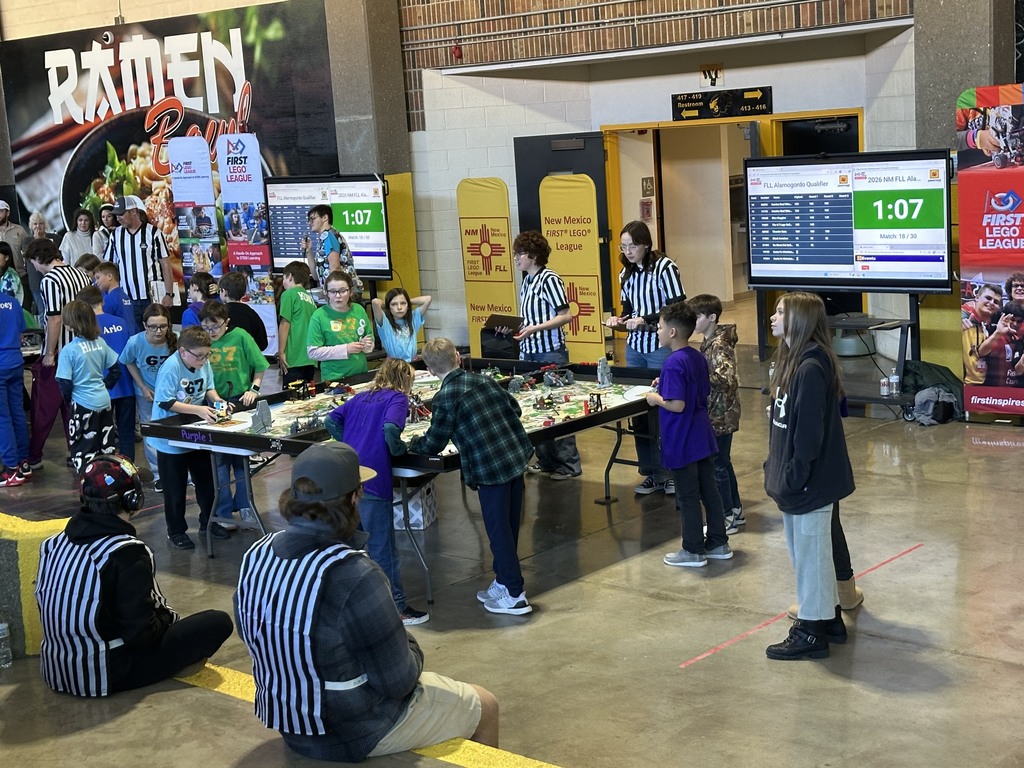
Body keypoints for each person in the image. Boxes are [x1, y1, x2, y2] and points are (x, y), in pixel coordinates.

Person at [235, 441, 498, 761]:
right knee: (486, 705)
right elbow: (398, 681)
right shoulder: (354, 574)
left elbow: (251, 632)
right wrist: (409, 643)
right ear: (353, 499)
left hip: (291, 722)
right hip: (350, 729)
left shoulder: (258, 553)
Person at [35, 454, 233, 697]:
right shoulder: (126, 552)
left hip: (56, 670)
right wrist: (166, 620)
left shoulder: (52, 544)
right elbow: (141, 634)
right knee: (217, 622)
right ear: (134, 500)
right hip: (105, 673)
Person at [409, 338, 534, 615]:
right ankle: (503, 580)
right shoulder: (484, 381)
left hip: (490, 468)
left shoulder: (445, 396)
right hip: (514, 457)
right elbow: (515, 409)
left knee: (497, 531)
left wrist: (412, 444)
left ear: (429, 370)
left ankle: (515, 595)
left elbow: (434, 443)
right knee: (509, 526)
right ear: (458, 357)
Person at [764, 292, 854, 660]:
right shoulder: (794, 361)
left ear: (799, 320)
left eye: (781, 312)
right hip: (795, 481)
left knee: (812, 556)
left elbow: (808, 437)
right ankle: (829, 617)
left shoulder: (811, 369)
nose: (773, 317)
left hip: (809, 483)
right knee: (808, 555)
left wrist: (795, 476)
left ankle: (811, 631)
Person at [326, 358, 429, 626]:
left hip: (349, 476)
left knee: (351, 546)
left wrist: (349, 443)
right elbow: (391, 428)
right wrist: (396, 450)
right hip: (374, 479)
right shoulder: (397, 398)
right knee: (383, 549)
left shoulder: (362, 397)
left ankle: (351, 604)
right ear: (404, 379)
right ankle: (395, 608)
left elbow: (331, 420)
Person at [645, 302, 731, 568]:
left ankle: (693, 549)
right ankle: (718, 541)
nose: (657, 332)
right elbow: (696, 390)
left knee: (687, 495)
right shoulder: (695, 356)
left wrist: (655, 398)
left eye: (659, 328)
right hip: (701, 434)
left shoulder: (673, 363)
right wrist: (665, 385)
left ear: (672, 332)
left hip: (681, 438)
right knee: (709, 489)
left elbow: (677, 404)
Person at [604, 220, 685, 496]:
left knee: (663, 406)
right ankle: (651, 471)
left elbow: (678, 307)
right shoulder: (625, 274)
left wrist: (646, 320)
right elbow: (628, 308)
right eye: (623, 246)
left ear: (646, 244)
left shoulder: (664, 268)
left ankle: (671, 471)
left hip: (659, 344)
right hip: (635, 346)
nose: (628, 251)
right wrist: (620, 319)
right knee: (639, 409)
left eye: (633, 246)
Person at [149, 325, 232, 550]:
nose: (204, 360)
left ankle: (209, 522)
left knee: (207, 484)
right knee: (175, 490)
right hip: (171, 436)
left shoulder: (202, 362)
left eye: (207, 355)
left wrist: (218, 402)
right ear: (183, 351)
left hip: (196, 431)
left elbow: (209, 389)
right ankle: (176, 531)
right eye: (199, 356)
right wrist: (198, 410)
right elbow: (165, 402)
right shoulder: (171, 368)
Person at [507, 230, 580, 480]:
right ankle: (546, 460)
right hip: (528, 351)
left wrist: (535, 329)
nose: (515, 258)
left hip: (549, 351)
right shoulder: (527, 281)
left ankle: (569, 464)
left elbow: (566, 314)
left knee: (558, 405)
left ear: (534, 256)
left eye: (520, 254)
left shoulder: (549, 279)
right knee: (536, 407)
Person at [26, 238, 92, 470]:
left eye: (32, 261)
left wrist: (48, 353)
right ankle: (79, 452)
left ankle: (33, 456)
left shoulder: (51, 280)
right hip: (84, 350)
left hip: (61, 352)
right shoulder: (80, 275)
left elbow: (54, 318)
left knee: (44, 408)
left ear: (37, 258)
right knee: (74, 406)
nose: (32, 267)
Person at [201, 299, 267, 528]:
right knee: (219, 460)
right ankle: (224, 512)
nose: (211, 332)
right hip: (212, 404)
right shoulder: (203, 341)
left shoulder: (240, 337)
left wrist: (253, 390)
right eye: (206, 328)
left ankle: (246, 506)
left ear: (226, 323)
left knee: (240, 459)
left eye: (215, 327)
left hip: (238, 401)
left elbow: (260, 366)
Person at [688, 294, 743, 533]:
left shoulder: (718, 344)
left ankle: (725, 516)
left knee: (718, 466)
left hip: (721, 413)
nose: (693, 321)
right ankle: (736, 510)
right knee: (723, 463)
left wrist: (697, 377)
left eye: (697, 316)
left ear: (711, 318)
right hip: (718, 411)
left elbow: (726, 379)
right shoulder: (709, 341)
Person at [55, 300, 121, 473]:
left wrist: (69, 400)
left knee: (83, 448)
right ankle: (107, 480)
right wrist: (104, 387)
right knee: (106, 444)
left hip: (83, 404)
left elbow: (65, 383)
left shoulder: (69, 350)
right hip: (104, 401)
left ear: (72, 323)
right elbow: (115, 370)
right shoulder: (100, 343)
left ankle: (89, 484)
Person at [120, 304, 175, 491]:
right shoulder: (135, 342)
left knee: (175, 429)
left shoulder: (174, 341)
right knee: (151, 431)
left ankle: (180, 471)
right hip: (147, 393)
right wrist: (142, 386)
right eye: (153, 327)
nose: (158, 331)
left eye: (163, 326)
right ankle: (159, 474)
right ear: (145, 325)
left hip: (171, 393)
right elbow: (128, 362)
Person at [77, 285, 136, 460]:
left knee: (101, 433)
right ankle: (128, 469)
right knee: (127, 433)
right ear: (102, 301)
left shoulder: (87, 328)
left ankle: (102, 470)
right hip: (126, 384)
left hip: (100, 388)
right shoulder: (121, 322)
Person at [102, 195, 175, 329]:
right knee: (133, 335)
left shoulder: (153, 233)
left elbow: (165, 263)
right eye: (116, 214)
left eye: (121, 214)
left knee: (157, 333)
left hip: (152, 297)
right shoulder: (116, 235)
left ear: (133, 212)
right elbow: (110, 266)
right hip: (127, 297)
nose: (118, 218)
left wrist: (169, 293)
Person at [306, 270, 374, 382]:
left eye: (343, 291)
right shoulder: (319, 316)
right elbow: (313, 352)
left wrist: (368, 345)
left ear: (350, 291)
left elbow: (369, 339)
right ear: (326, 292)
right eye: (333, 291)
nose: (338, 296)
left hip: (361, 374)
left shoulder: (359, 310)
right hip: (334, 379)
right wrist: (346, 349)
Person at [0, 284, 28, 486]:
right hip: (15, 361)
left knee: (2, 417)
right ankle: (23, 463)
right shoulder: (12, 302)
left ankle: (10, 469)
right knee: (17, 412)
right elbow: (20, 333)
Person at [302, 204, 362, 294]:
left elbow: (335, 267)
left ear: (325, 217)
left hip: (343, 293)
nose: (309, 223)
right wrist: (309, 251)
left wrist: (331, 292)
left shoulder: (330, 235)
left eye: (312, 219)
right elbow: (315, 276)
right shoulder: (324, 238)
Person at [277, 261, 318, 385]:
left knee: (292, 400)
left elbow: (285, 323)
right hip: (310, 358)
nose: (283, 283)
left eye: (284, 278)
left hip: (293, 358)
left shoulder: (288, 294)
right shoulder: (310, 299)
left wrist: (281, 352)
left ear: (289, 276)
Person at [371, 286, 432, 362]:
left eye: (403, 303)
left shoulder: (413, 320)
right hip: (394, 366)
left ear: (408, 306)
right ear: (389, 307)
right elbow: (375, 302)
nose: (399, 307)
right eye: (394, 304)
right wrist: (387, 305)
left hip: (412, 364)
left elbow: (428, 299)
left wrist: (408, 302)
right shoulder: (385, 324)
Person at [961, 283, 1004, 385]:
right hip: (962, 385)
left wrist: (998, 333)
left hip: (976, 385)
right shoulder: (963, 317)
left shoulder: (982, 325)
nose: (992, 303)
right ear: (976, 297)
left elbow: (979, 353)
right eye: (988, 298)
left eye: (996, 302)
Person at [218, 270, 268, 351]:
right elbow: (263, 344)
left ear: (224, 292)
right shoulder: (251, 313)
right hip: (247, 359)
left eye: (219, 291)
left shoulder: (219, 313)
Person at [94, 261, 138, 335]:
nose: (96, 282)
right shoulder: (126, 297)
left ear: (109, 276)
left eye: (98, 278)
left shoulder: (109, 299)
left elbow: (105, 324)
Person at [0, 199, 28, 276]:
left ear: (7, 213)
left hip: (20, 275)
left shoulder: (19, 230)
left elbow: (28, 251)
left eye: (1, 211)